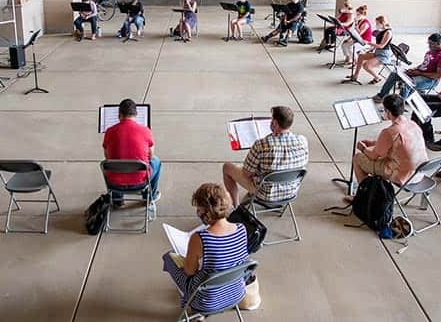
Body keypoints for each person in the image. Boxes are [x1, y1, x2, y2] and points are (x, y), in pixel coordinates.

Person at [162, 183, 255, 317]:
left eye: (199, 210)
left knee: (169, 258)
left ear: (207, 212)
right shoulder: (241, 228)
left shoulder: (200, 238)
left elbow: (189, 271)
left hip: (206, 302)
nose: (198, 213)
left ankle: (191, 307)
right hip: (236, 293)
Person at [222, 106, 309, 207]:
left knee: (227, 167)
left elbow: (246, 173)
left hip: (265, 193)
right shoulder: (303, 141)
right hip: (290, 191)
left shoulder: (262, 144)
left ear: (275, 123)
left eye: (271, 119)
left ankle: (236, 207)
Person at [350, 94, 428, 199]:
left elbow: (373, 156)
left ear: (388, 112)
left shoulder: (389, 132)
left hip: (403, 175)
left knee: (358, 158)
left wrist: (363, 148)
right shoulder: (413, 124)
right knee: (384, 157)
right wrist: (374, 143)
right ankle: (373, 191)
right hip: (419, 172)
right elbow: (397, 144)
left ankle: (366, 195)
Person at [102, 98, 162, 206]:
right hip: (140, 183)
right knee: (156, 161)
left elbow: (107, 156)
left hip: (115, 184)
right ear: (136, 114)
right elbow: (150, 156)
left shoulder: (109, 132)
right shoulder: (145, 131)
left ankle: (118, 200)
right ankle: (149, 197)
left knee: (111, 164)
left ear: (119, 114)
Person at [373, 32, 441, 101]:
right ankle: (382, 95)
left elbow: (437, 75)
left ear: (439, 43)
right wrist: (415, 69)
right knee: (394, 74)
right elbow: (424, 64)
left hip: (430, 80)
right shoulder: (430, 51)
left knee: (407, 83)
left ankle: (398, 105)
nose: (429, 46)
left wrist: (418, 73)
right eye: (429, 43)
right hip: (420, 73)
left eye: (432, 44)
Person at [347, 15, 393, 85]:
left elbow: (381, 46)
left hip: (383, 55)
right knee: (360, 56)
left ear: (383, 23)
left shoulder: (388, 32)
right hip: (378, 52)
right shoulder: (382, 31)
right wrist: (371, 49)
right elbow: (378, 43)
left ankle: (377, 77)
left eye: (377, 23)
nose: (376, 25)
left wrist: (368, 43)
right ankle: (355, 76)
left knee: (366, 65)